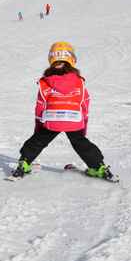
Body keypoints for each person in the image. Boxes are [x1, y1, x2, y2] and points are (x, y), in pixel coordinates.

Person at [10, 42, 117, 181]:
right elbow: (84, 102)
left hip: (52, 119)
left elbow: (40, 105)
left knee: (38, 140)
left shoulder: (45, 82)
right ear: (71, 60)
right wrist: (82, 124)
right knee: (80, 142)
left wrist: (39, 125)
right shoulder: (79, 81)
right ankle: (98, 167)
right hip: (74, 119)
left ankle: (24, 163)